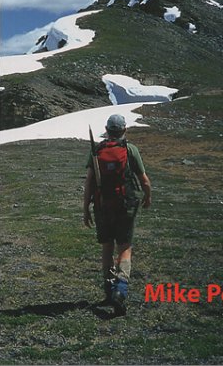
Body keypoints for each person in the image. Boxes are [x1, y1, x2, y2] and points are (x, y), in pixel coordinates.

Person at [83, 114, 151, 316]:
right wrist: (147, 197)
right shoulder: (130, 150)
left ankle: (109, 289)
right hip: (125, 204)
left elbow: (89, 181)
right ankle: (120, 291)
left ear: (107, 129)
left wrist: (85, 208)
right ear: (124, 130)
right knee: (125, 247)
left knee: (107, 247)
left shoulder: (97, 150)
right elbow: (144, 180)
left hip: (103, 206)